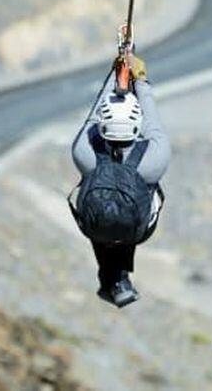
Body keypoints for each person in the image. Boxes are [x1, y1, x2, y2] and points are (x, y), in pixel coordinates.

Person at [70, 56, 171, 308]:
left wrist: (115, 74)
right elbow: (153, 125)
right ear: (135, 125)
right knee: (145, 195)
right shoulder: (155, 158)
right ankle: (118, 278)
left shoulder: (84, 153)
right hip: (137, 229)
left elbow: (92, 118)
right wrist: (141, 80)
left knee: (100, 206)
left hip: (95, 225)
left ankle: (112, 278)